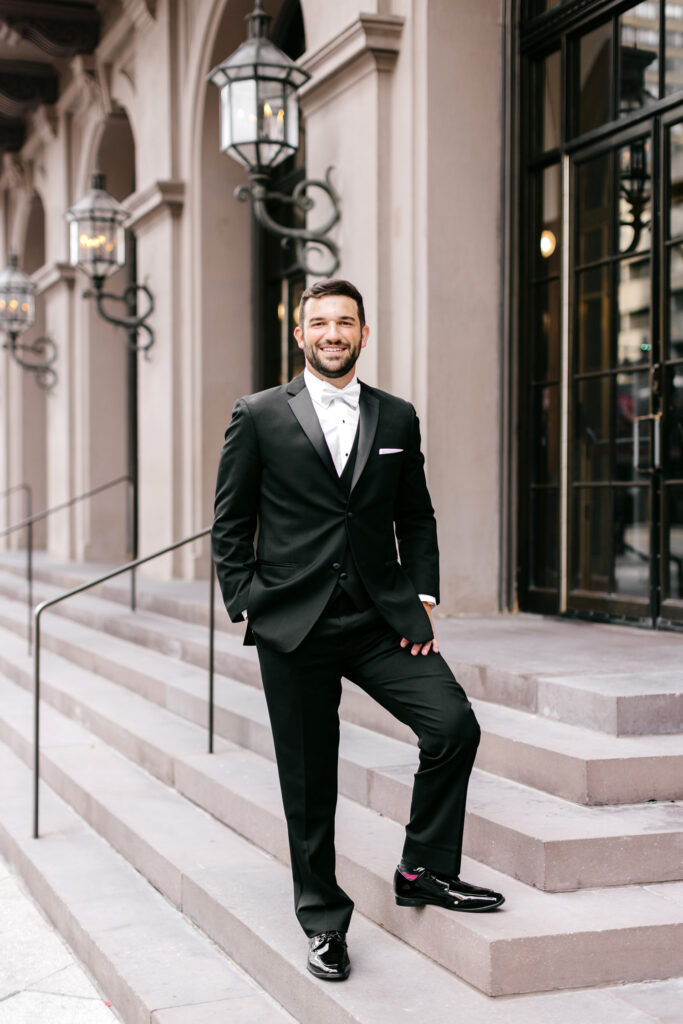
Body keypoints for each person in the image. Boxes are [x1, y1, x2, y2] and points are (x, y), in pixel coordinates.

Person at [212, 279, 504, 983]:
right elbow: (230, 521)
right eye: (320, 323)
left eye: (345, 322)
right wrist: (248, 598)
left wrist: (422, 595)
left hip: (380, 618)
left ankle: (423, 870)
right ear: (300, 334)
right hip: (295, 623)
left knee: (452, 726)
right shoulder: (256, 415)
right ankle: (322, 919)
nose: (333, 333)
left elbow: (416, 515)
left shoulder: (396, 417)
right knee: (309, 783)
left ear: (364, 334)